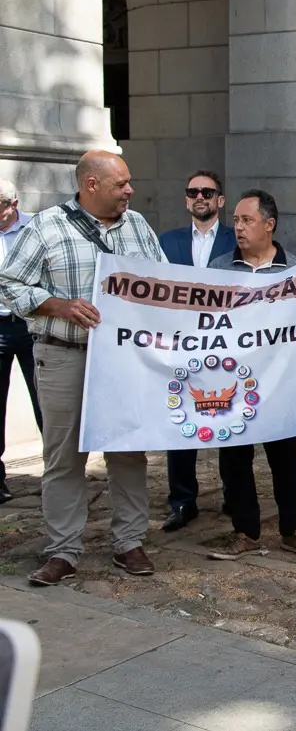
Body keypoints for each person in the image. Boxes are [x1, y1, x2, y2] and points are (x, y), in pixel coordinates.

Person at [0, 151, 165, 586]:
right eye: (121, 184)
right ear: (91, 184)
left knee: (128, 452)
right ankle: (62, 550)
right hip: (63, 355)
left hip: (125, 361)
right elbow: (10, 281)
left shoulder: (139, 227)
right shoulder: (46, 226)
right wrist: (60, 306)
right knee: (64, 457)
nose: (130, 190)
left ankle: (129, 542)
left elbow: (166, 285)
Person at [205, 190, 296, 561]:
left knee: (284, 459)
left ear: (269, 225)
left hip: (279, 384)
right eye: (236, 221)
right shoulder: (218, 270)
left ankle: (294, 530)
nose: (239, 228)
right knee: (233, 459)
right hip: (230, 382)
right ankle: (245, 532)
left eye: (247, 220)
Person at [156, 170, 237, 531]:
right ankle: (182, 501)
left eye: (207, 191)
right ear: (186, 199)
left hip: (227, 346)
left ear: (220, 200)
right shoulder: (167, 242)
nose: (199, 196)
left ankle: (234, 495)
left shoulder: (238, 239)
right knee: (181, 423)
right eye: (193, 192)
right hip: (180, 347)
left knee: (231, 422)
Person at [0, 178, 42, 504]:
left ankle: (57, 473)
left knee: (45, 402)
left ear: (13, 205)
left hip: (29, 324)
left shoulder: (35, 230)